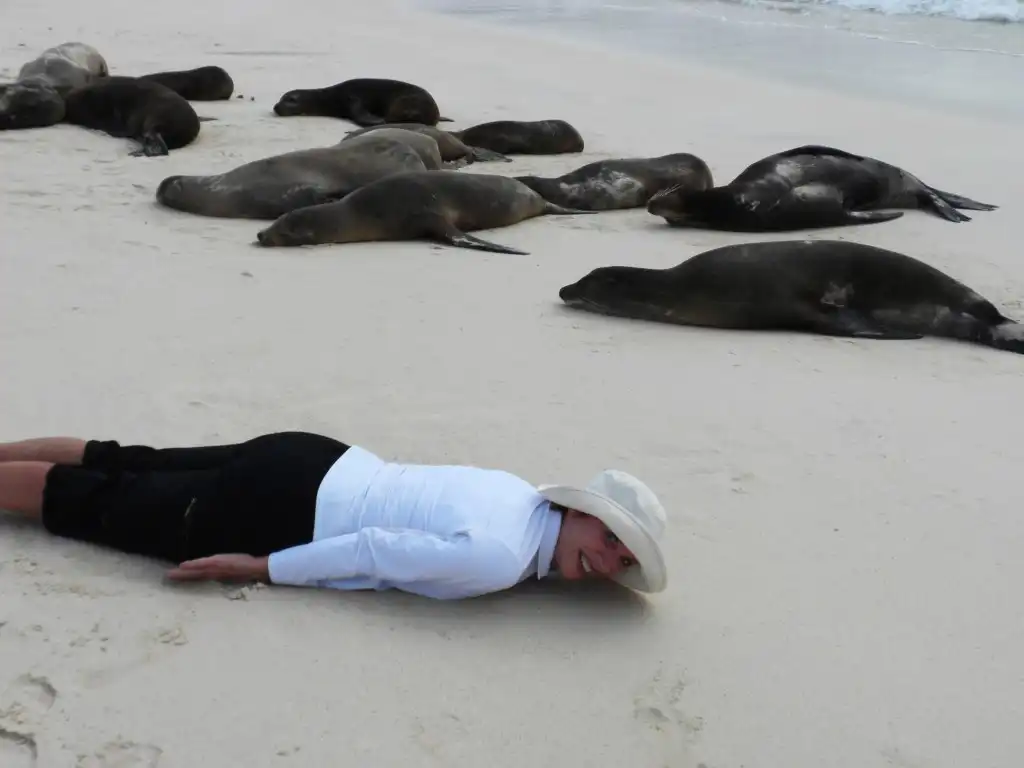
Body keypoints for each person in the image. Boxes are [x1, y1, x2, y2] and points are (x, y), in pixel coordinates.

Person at [0, 430, 668, 599]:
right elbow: (373, 550)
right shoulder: (501, 558)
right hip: (288, 510)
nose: (610, 559)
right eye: (611, 537)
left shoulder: (516, 491)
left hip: (320, 456)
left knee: (128, 460)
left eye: (624, 558)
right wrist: (262, 566)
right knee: (93, 501)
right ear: (578, 511)